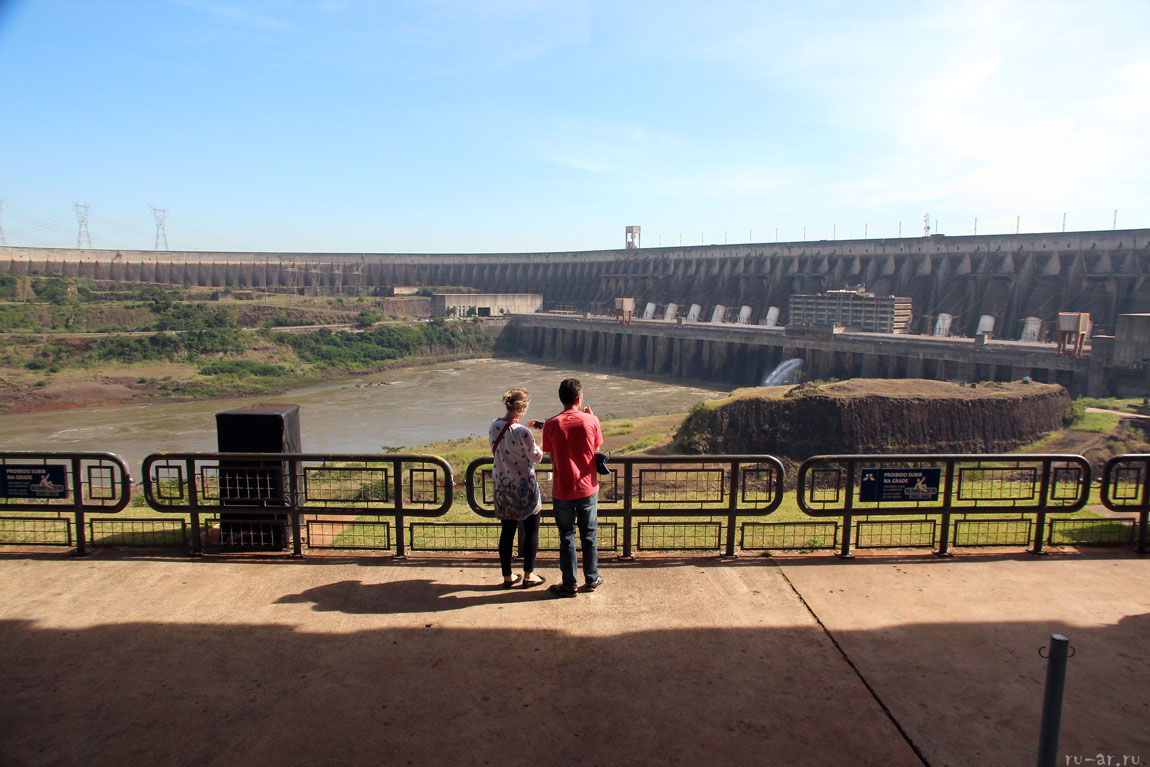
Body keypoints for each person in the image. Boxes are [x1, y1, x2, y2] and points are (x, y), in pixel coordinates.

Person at [542, 378, 604, 597]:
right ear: (579, 398)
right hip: (587, 488)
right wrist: (590, 416)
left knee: (566, 536)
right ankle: (592, 578)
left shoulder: (550, 424)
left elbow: (550, 454)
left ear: (562, 399)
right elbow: (594, 446)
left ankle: (569, 584)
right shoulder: (591, 420)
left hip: (562, 489)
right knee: (589, 535)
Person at [489, 388, 546, 588]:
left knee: (507, 531)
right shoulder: (523, 431)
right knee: (531, 530)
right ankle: (529, 575)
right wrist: (542, 437)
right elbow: (536, 457)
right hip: (524, 488)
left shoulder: (494, 425)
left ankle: (507, 577)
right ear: (521, 407)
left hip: (503, 487)